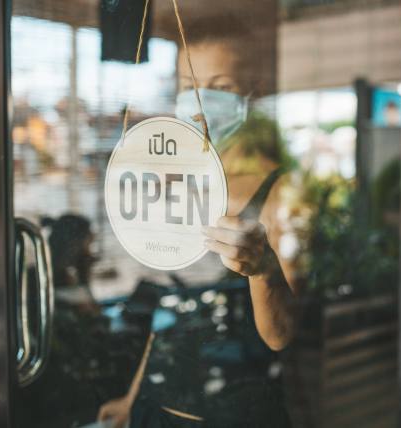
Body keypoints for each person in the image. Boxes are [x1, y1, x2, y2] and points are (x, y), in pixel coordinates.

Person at [97, 20, 301, 428]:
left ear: (252, 93)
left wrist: (262, 270)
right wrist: (132, 397)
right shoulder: (182, 184)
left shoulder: (279, 192)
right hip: (160, 406)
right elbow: (171, 310)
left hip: (237, 412)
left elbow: (282, 335)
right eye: (189, 83)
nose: (201, 99)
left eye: (221, 86)